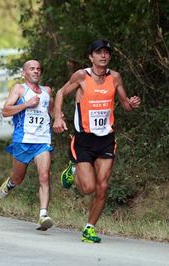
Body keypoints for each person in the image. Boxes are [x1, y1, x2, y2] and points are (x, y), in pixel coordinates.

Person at [53, 40, 141, 243]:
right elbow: (59, 93)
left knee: (102, 186)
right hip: (84, 140)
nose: (103, 56)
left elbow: (125, 105)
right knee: (88, 188)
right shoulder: (82, 76)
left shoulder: (115, 77)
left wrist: (132, 104)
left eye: (106, 53)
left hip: (106, 140)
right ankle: (72, 170)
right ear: (91, 57)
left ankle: (89, 228)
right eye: (98, 53)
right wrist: (58, 117)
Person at [0, 59, 54, 231]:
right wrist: (26, 104)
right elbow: (5, 111)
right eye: (32, 69)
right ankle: (10, 184)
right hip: (23, 141)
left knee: (44, 176)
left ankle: (43, 215)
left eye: (38, 68)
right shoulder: (19, 89)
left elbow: (51, 111)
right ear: (24, 73)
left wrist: (59, 119)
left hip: (42, 141)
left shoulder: (47, 91)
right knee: (18, 178)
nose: (36, 71)